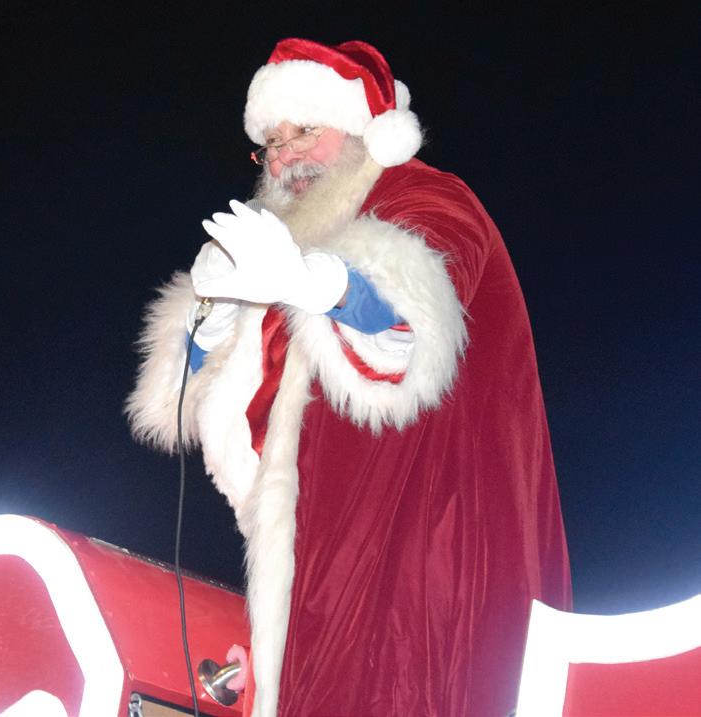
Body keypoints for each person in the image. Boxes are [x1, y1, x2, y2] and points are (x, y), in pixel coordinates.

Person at [127, 38, 571, 717]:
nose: (286, 156)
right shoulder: (280, 243)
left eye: (305, 130)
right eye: (271, 144)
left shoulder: (427, 195)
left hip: (432, 548)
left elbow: (411, 315)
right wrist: (208, 322)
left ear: (365, 130)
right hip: (322, 563)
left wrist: (312, 282)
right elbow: (196, 402)